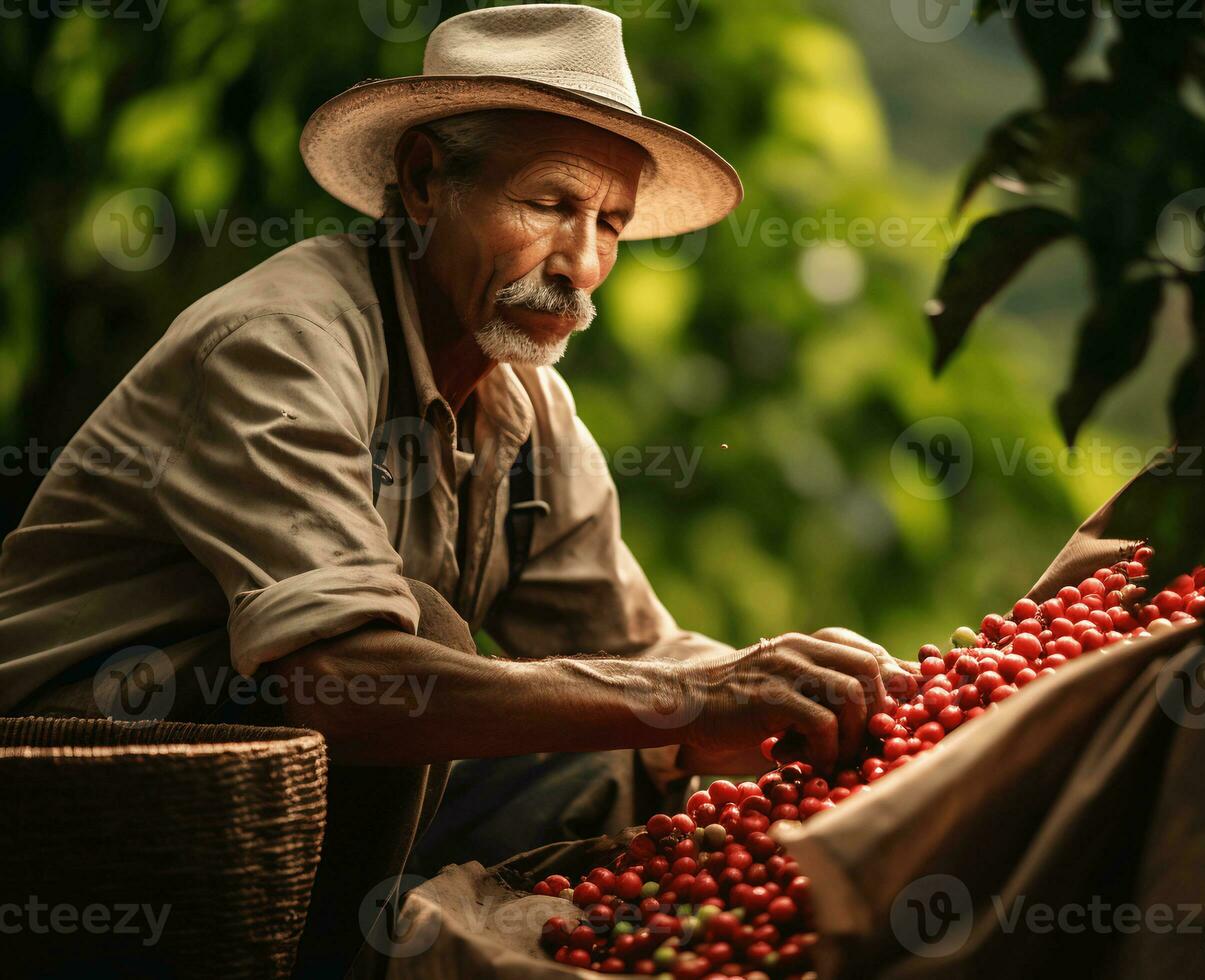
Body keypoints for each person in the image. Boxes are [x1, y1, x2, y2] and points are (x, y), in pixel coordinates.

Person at [0, 5, 916, 973]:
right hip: (83, 789)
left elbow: (634, 653)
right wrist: (691, 694)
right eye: (549, 204)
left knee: (620, 743)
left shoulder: (527, 407)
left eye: (610, 223)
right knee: (438, 643)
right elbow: (342, 684)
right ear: (428, 180)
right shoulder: (281, 342)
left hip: (294, 804)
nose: (583, 265)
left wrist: (841, 705)